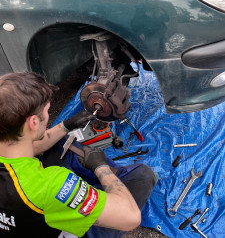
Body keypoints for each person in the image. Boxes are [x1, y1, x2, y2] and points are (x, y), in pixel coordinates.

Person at [0, 72, 157, 238]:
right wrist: (100, 166)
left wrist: (66, 126)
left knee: (59, 143)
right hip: (71, 230)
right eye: (47, 111)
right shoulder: (51, 184)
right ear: (33, 122)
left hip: (28, 221)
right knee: (144, 175)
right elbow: (130, 217)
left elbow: (34, 145)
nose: (48, 115)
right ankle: (109, 189)